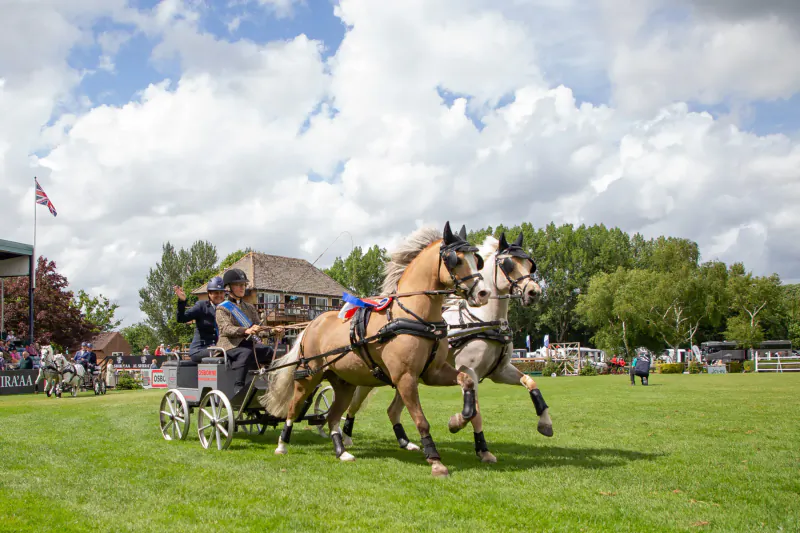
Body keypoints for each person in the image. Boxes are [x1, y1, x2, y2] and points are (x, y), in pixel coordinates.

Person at [215, 268, 282, 396]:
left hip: (248, 344)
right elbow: (226, 329)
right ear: (229, 288)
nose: (242, 288)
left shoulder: (249, 308)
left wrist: (273, 330)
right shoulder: (222, 308)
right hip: (230, 346)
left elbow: (259, 329)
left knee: (268, 351)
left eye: (244, 285)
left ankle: (273, 382)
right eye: (238, 285)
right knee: (245, 353)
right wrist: (246, 330)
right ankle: (239, 387)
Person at [175, 276, 226, 363]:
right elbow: (181, 318)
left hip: (218, 347)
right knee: (222, 353)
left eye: (221, 292)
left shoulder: (226, 308)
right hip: (200, 349)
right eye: (216, 293)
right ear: (209, 294)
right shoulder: (201, 306)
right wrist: (182, 301)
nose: (219, 295)